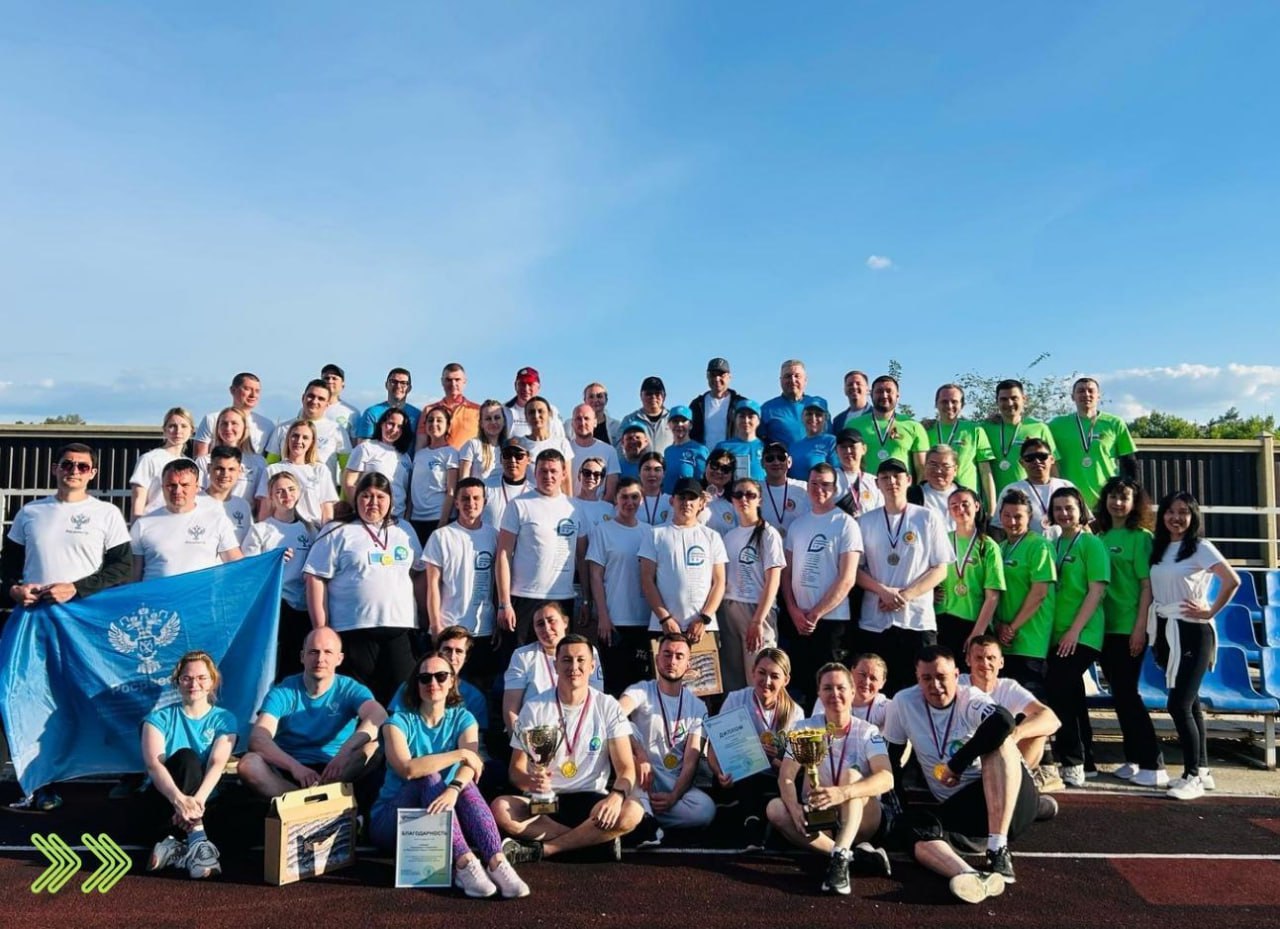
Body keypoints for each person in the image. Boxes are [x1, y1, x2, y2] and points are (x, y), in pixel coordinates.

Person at [2, 442, 133, 812]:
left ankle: (129, 772)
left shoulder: (106, 513)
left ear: (93, 473)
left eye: (82, 466)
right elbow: (7, 566)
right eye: (67, 464)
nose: (74, 471)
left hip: (85, 621)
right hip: (35, 620)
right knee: (31, 696)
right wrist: (14, 589)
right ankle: (42, 781)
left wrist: (77, 588)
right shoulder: (30, 512)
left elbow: (122, 568)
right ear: (55, 469)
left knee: (95, 694)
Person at [883, 646, 1041, 904]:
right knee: (912, 829)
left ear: (957, 675)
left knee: (999, 742)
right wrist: (897, 809)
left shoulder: (970, 697)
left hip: (1008, 803)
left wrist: (956, 765)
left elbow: (1003, 721)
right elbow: (892, 758)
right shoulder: (903, 702)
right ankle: (971, 876)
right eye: (926, 678)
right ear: (917, 678)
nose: (935, 685)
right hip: (963, 809)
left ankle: (998, 849)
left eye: (941, 677)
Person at [370, 652, 530, 899]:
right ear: (416, 684)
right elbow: (408, 769)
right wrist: (460, 754)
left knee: (465, 784)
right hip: (393, 821)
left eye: (441, 676)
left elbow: (471, 767)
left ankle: (497, 861)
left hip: (442, 818)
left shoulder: (464, 718)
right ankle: (465, 862)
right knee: (428, 777)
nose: (433, 683)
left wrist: (454, 788)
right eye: (425, 678)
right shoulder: (397, 722)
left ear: (452, 681)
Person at [492, 634, 644, 863]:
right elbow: (516, 771)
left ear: (592, 666)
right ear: (555, 665)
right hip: (547, 804)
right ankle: (595, 841)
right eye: (566, 660)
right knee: (501, 808)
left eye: (581, 660)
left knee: (632, 811)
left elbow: (626, 770)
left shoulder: (608, 706)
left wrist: (616, 796)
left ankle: (545, 849)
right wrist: (531, 782)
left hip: (592, 802)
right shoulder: (534, 708)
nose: (574, 667)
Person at [765, 663, 894, 897]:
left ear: (852, 692)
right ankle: (846, 856)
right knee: (775, 808)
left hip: (862, 819)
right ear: (819, 693)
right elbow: (786, 776)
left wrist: (842, 792)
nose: (834, 694)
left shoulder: (869, 732)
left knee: (851, 776)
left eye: (840, 688)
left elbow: (887, 778)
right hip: (820, 819)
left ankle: (841, 855)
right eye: (827, 688)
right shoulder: (803, 728)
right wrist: (793, 807)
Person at [1149, 491, 1240, 801]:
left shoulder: (1201, 547)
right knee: (1192, 703)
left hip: (1193, 631)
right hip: (1166, 628)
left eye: (1183, 512)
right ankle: (1201, 769)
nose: (1176, 518)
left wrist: (1210, 611)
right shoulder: (1160, 547)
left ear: (1193, 516)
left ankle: (1191, 777)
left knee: (1179, 704)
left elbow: (1232, 580)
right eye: (1170, 511)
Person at [303, 472, 423, 705]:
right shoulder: (337, 530)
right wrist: (321, 628)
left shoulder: (404, 529)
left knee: (404, 698)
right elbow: (315, 578)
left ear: (390, 500)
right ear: (356, 498)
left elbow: (419, 574)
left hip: (400, 627)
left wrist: (424, 617)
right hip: (353, 629)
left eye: (380, 496)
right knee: (358, 701)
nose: (373, 502)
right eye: (366, 496)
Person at [237, 628, 387, 811]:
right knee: (248, 764)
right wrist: (295, 767)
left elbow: (379, 716)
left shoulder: (350, 688)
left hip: (335, 770)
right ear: (302, 657)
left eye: (328, 652)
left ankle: (315, 803)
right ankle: (312, 807)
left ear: (339, 659)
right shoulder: (283, 691)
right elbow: (258, 740)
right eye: (313, 652)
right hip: (289, 770)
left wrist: (344, 752)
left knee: (374, 746)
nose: (320, 659)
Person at [1092, 477, 1168, 787]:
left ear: (1135, 503)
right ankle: (1134, 759)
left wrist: (1139, 629)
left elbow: (1146, 586)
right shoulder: (1099, 535)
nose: (1117, 503)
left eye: (1124, 497)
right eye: (1112, 496)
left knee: (1128, 694)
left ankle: (1153, 763)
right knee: (1120, 695)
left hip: (1128, 628)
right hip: (1103, 628)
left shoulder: (1141, 538)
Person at [854, 458, 953, 696]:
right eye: (885, 478)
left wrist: (904, 596)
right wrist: (883, 591)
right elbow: (854, 570)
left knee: (920, 692)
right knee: (877, 693)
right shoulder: (865, 521)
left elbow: (940, 568)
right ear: (877, 484)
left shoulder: (927, 518)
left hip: (916, 619)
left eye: (897, 476)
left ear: (908, 480)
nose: (891, 482)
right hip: (875, 620)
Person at [141, 651, 238, 880]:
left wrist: (195, 805)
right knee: (187, 758)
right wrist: (180, 801)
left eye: (202, 678)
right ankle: (197, 841)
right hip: (165, 804)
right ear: (177, 682)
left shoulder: (225, 719)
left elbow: (217, 763)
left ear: (212, 681)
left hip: (201, 804)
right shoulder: (157, 719)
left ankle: (177, 849)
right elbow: (154, 766)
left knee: (250, 817)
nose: (194, 684)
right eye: (187, 678)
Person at [1043, 486, 1110, 788]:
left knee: (1058, 689)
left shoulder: (1091, 544)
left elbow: (1097, 590)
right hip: (1058, 634)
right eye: (1058, 508)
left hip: (1083, 633)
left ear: (1080, 510)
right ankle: (1088, 759)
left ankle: (1072, 760)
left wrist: (1074, 631)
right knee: (1072, 694)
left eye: (1069, 508)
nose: (1063, 514)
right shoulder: (1054, 543)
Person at [781, 463, 863, 703]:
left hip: (831, 621)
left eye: (825, 484)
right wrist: (794, 610)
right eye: (814, 484)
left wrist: (816, 613)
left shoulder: (846, 524)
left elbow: (847, 578)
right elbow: (787, 574)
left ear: (835, 488)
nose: (819, 489)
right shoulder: (798, 525)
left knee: (831, 690)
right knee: (803, 689)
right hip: (799, 621)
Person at [620, 634, 716, 833]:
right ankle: (644, 817)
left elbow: (690, 761)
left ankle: (644, 818)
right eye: (667, 654)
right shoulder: (641, 690)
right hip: (641, 776)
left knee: (705, 809)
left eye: (679, 656)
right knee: (627, 730)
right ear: (657, 659)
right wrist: (640, 754)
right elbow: (614, 715)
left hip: (672, 782)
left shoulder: (697, 706)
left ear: (688, 664)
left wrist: (673, 797)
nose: (672, 661)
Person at [708, 649, 804, 845]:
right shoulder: (736, 699)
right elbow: (715, 747)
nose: (766, 681)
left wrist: (773, 760)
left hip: (774, 777)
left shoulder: (796, 713)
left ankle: (754, 824)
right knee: (746, 774)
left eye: (774, 676)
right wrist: (719, 773)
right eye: (762, 672)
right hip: (740, 776)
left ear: (786, 680)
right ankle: (751, 824)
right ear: (753, 672)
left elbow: (795, 770)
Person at [496, 449, 584, 648]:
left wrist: (586, 599)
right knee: (519, 658)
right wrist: (504, 603)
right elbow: (503, 555)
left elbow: (582, 557)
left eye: (554, 471)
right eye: (543, 471)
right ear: (534, 473)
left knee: (559, 659)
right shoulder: (518, 505)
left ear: (564, 473)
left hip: (562, 598)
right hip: (523, 598)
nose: (548, 476)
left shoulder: (576, 508)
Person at [418, 477, 498, 674]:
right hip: (449, 629)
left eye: (476, 498)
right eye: (465, 498)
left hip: (482, 627)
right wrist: (435, 625)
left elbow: (497, 583)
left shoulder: (494, 535)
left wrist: (496, 622)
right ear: (456, 503)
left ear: (485, 501)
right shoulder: (441, 536)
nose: (471, 503)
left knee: (479, 685)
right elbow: (433, 585)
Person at [962, 635, 1064, 791]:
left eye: (991, 658)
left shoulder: (1008, 687)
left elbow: (1052, 720)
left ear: (1001, 662)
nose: (985, 663)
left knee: (1038, 729)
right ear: (968, 660)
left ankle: (1018, 782)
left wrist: (1015, 734)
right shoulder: (958, 685)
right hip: (963, 755)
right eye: (979, 658)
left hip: (1000, 757)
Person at [243, 470, 317, 681]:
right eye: (280, 491)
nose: (286, 495)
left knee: (296, 663)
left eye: (291, 489)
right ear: (271, 496)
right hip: (275, 605)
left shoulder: (310, 530)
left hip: (303, 607)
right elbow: (249, 570)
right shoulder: (260, 530)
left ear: (299, 492)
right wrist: (272, 561)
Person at [639, 477, 728, 640]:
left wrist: (704, 618)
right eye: (682, 497)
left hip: (703, 628)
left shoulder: (712, 537)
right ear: (672, 500)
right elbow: (646, 580)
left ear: (701, 504)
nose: (687, 503)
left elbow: (719, 582)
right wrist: (664, 618)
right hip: (664, 627)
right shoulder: (654, 534)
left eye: (692, 498)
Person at [718, 478, 785, 692]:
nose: (743, 499)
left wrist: (758, 620)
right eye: (738, 495)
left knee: (760, 676)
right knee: (733, 678)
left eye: (750, 495)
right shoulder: (729, 536)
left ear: (760, 500)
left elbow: (773, 579)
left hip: (757, 610)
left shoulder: (768, 533)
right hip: (729, 609)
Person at [587, 477, 652, 694]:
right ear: (615, 499)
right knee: (615, 684)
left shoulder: (650, 532)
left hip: (645, 620)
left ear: (642, 499)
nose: (629, 502)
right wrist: (603, 616)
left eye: (635, 497)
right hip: (615, 621)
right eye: (624, 497)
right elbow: (595, 576)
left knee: (641, 687)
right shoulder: (603, 531)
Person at [502, 601, 605, 734]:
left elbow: (596, 698)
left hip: (579, 730)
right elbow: (510, 710)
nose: (546, 628)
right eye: (540, 624)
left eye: (551, 621)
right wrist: (521, 742)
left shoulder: (587, 650)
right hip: (536, 733)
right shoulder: (522, 656)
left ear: (565, 622)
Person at [130, 459, 243, 581]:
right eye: (171, 485)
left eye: (185, 485)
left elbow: (238, 567)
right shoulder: (142, 525)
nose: (177, 491)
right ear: (162, 487)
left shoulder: (216, 521)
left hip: (202, 593)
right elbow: (133, 576)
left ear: (197, 487)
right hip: (156, 593)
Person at [992, 490, 1056, 690]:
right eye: (1007, 515)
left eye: (1018, 516)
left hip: (1030, 642)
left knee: (1029, 703)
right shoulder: (999, 548)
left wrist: (1012, 628)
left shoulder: (1039, 546)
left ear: (1029, 517)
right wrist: (999, 626)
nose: (1012, 522)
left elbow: (1039, 593)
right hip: (1003, 643)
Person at [935, 488, 1005, 664]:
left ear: (977, 506)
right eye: (954, 505)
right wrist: (931, 593)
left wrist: (977, 633)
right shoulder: (942, 541)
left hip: (973, 622)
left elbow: (993, 596)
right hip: (942, 620)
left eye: (965, 504)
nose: (960, 509)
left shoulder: (988, 546)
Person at [1048, 377, 1138, 509]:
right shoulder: (1056, 425)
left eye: (1091, 391)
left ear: (1098, 396)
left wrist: (1131, 494)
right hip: (1070, 503)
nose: (1086, 394)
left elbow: (1129, 462)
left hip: (1106, 502)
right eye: (1081, 391)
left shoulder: (1114, 423)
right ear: (1073, 397)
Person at [981, 379, 1058, 499]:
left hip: (1031, 499)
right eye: (1003, 399)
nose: (1009, 403)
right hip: (995, 501)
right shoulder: (984, 428)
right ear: (997, 402)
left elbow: (1052, 465)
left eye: (1014, 398)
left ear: (1024, 399)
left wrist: (1056, 496)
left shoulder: (1039, 427)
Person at [930, 384, 997, 517]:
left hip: (967, 504)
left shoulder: (975, 430)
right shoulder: (925, 430)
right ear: (936, 404)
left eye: (954, 401)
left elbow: (985, 472)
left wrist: (992, 509)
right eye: (944, 401)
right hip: (934, 501)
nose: (949, 405)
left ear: (962, 405)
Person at [255, 420, 339, 527]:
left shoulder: (320, 470)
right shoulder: (272, 470)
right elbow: (265, 509)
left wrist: (326, 533)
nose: (299, 441)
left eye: (305, 437)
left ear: (312, 442)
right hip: (280, 530)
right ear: (288, 438)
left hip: (313, 531)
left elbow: (327, 509)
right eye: (295, 436)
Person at [844, 375, 929, 478]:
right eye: (879, 391)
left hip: (900, 487)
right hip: (866, 487)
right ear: (871, 395)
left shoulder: (913, 426)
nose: (884, 395)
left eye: (889, 391)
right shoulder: (853, 425)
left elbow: (921, 469)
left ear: (897, 395)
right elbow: (846, 464)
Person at [265, 379, 349, 477]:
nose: (314, 401)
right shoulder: (282, 429)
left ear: (327, 404)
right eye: (311, 396)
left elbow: (346, 469)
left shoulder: (337, 431)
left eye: (321, 398)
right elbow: (270, 465)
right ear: (303, 398)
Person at [342, 407, 413, 518]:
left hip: (398, 518)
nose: (394, 429)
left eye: (399, 426)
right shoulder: (365, 448)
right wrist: (360, 511)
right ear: (381, 424)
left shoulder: (405, 457)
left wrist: (406, 518)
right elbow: (348, 483)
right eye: (391, 424)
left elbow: (407, 493)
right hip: (371, 516)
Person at [997, 438, 1074, 538]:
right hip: (1028, 547)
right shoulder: (1012, 490)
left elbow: (1084, 524)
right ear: (1021, 462)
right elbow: (999, 529)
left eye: (1042, 456)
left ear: (1052, 459)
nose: (1037, 461)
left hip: (1066, 546)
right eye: (1029, 458)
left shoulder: (1066, 486)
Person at [129, 407, 196, 518]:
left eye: (183, 426)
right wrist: (136, 525)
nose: (178, 431)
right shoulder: (149, 459)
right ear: (164, 429)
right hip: (153, 521)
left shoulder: (191, 464)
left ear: (191, 431)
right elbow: (138, 500)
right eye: (172, 426)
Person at [408, 404, 460, 542]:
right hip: (416, 519)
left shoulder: (451, 453)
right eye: (430, 420)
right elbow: (413, 490)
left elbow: (451, 491)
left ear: (448, 426)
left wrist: (443, 522)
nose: (434, 424)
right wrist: (407, 519)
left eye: (439, 420)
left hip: (438, 519)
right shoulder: (419, 455)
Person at [194, 406, 267, 505]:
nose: (228, 428)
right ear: (218, 428)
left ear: (244, 428)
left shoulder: (259, 462)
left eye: (234, 423)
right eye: (224, 423)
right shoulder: (203, 461)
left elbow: (261, 502)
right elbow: (197, 497)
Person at [193, 372, 273, 456]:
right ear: (233, 390)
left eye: (257, 391)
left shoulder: (267, 425)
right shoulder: (212, 420)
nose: (253, 395)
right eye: (247, 389)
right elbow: (199, 458)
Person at [760, 359, 827, 450]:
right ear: (780, 380)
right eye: (787, 376)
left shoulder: (819, 405)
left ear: (805, 380)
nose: (792, 380)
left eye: (797, 376)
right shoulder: (767, 409)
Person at [414, 362, 481, 451]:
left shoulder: (478, 410)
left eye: (457, 380)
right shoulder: (429, 410)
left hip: (468, 459)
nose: (453, 384)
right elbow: (421, 445)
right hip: (436, 459)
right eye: (449, 380)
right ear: (442, 381)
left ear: (464, 381)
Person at [515, 397, 575, 495]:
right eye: (531, 412)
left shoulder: (562, 443)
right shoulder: (519, 444)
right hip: (528, 499)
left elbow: (566, 479)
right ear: (526, 416)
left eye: (540, 411)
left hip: (555, 500)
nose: (536, 416)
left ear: (549, 414)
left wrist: (569, 501)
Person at [200, 446, 253, 546]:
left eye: (231, 469)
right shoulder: (194, 502)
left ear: (240, 471)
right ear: (209, 468)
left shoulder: (243, 506)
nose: (225, 474)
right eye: (219, 468)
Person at [568, 403, 621, 500]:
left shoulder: (609, 451)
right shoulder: (565, 451)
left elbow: (611, 490)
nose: (582, 423)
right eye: (578, 419)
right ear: (572, 423)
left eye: (586, 418)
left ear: (595, 422)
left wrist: (600, 507)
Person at [355, 367, 422, 442]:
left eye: (403, 383)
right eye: (394, 382)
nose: (398, 386)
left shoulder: (418, 416)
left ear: (409, 388)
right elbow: (364, 446)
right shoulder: (372, 413)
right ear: (386, 385)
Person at [760, 442, 811, 537]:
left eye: (781, 458)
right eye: (770, 458)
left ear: (789, 462)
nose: (776, 462)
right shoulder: (755, 490)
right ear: (762, 463)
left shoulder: (804, 488)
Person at [689, 357, 741, 449]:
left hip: (731, 455)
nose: (717, 379)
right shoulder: (697, 405)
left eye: (721, 375)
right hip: (703, 456)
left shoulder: (740, 404)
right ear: (707, 377)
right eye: (713, 375)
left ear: (729, 377)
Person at [483, 439, 534, 530]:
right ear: (501, 459)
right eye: (507, 455)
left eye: (519, 456)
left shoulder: (535, 493)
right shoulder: (485, 487)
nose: (512, 460)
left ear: (529, 460)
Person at [832, 428, 884, 517]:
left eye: (852, 446)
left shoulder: (873, 481)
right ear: (836, 451)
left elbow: (881, 514)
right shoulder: (830, 479)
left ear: (864, 449)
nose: (848, 451)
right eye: (843, 447)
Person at [617, 376, 675, 455]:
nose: (653, 397)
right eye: (649, 393)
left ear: (664, 396)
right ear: (641, 396)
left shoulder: (673, 419)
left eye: (657, 393)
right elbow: (620, 449)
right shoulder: (629, 420)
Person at [908, 445, 961, 530]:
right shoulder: (911, 496)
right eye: (933, 465)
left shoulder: (967, 496)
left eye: (945, 466)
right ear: (925, 466)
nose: (938, 471)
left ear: (955, 470)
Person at [504, 366, 565, 440]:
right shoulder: (504, 410)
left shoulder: (551, 410)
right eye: (522, 384)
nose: (526, 388)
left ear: (538, 387)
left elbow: (559, 438)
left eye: (530, 384)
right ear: (515, 386)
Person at [459, 399, 509, 485]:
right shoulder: (472, 445)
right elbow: (463, 481)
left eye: (497, 417)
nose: (493, 422)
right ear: (481, 423)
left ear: (504, 421)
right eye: (488, 419)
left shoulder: (509, 447)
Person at [661, 406, 710, 495]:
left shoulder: (700, 450)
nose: (679, 424)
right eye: (675, 421)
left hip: (687, 500)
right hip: (667, 499)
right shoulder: (668, 451)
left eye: (683, 421)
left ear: (690, 425)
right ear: (669, 425)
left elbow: (704, 481)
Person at [714, 399, 765, 481]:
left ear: (758, 421)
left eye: (751, 417)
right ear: (735, 419)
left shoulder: (766, 446)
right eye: (742, 416)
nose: (746, 420)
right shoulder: (723, 447)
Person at [788, 399, 838, 480]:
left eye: (818, 415)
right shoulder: (793, 446)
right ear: (802, 417)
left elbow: (837, 474)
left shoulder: (831, 442)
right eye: (809, 414)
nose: (813, 418)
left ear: (825, 418)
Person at [702, 448, 741, 536]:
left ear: (731, 475)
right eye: (715, 465)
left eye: (725, 469)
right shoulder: (692, 496)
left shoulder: (735, 502)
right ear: (706, 466)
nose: (719, 471)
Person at [321, 363, 360, 444]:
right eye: (326, 378)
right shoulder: (309, 409)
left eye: (334, 378)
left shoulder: (352, 412)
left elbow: (355, 444)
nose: (330, 381)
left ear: (343, 384)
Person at [831, 370, 873, 435]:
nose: (854, 387)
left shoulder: (876, 415)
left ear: (867, 389)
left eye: (858, 384)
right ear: (845, 390)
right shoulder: (838, 420)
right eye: (850, 384)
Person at [636, 452, 670, 526]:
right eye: (647, 469)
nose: (652, 474)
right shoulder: (630, 501)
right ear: (639, 473)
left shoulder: (671, 502)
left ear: (664, 474)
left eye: (657, 470)